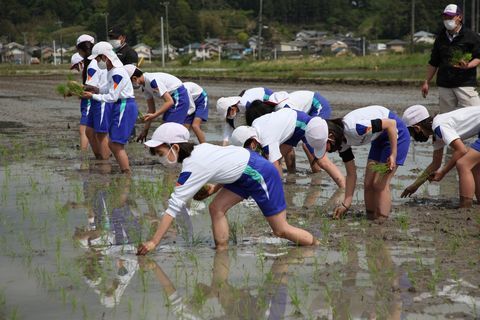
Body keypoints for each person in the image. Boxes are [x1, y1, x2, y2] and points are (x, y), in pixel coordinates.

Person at [136, 123, 319, 255]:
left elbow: (173, 207)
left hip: (260, 174)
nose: (160, 158)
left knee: (280, 230)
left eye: (160, 153)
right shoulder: (199, 150)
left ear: (175, 147)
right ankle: (221, 252)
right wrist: (212, 190)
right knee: (216, 208)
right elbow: (229, 166)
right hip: (244, 172)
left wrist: (153, 242)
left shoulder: (193, 165)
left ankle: (316, 245)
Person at [326, 105, 410, 220]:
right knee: (368, 183)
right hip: (379, 138)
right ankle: (370, 218)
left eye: (325, 147)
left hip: (396, 134)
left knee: (379, 184)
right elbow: (351, 174)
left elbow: (391, 124)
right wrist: (346, 204)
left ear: (331, 136)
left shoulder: (356, 129)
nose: (326, 151)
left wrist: (393, 154)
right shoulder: (341, 143)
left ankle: (381, 222)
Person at [230, 104, 345, 189]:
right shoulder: (255, 129)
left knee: (322, 161)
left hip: (300, 124)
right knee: (268, 161)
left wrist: (277, 192)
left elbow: (275, 168)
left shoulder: (266, 140)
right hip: (289, 122)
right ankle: (291, 176)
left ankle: (343, 187)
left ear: (252, 143)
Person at [401, 105, 480, 208]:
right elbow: (435, 163)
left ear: (417, 128)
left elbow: (461, 150)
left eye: (411, 134)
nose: (413, 137)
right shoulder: (436, 134)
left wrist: (443, 172)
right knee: (473, 163)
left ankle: (465, 207)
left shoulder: (439, 126)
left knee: (463, 164)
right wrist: (415, 185)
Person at [81, 42, 138, 174]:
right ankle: (124, 172)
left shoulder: (117, 72)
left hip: (124, 105)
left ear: (105, 57)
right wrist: (96, 89)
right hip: (121, 105)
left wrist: (93, 96)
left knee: (116, 144)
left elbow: (112, 96)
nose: (97, 61)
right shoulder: (112, 71)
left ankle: (126, 173)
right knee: (114, 143)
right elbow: (108, 89)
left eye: (98, 58)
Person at [422, 4, 480, 113]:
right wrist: (426, 81)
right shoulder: (440, 37)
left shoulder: (471, 36)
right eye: (445, 17)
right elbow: (434, 62)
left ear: (459, 17)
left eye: (450, 17)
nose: (447, 20)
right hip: (445, 84)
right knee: (445, 117)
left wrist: (468, 65)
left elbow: (478, 57)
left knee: (475, 113)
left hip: (465, 83)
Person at [123, 66, 190, 142]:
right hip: (173, 99)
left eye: (129, 82)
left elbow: (169, 102)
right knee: (166, 129)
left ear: (134, 78)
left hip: (179, 97)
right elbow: (151, 110)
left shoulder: (152, 81)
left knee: (169, 130)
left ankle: (180, 149)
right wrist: (145, 130)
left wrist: (155, 115)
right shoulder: (144, 87)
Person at [76, 35, 110, 160]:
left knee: (100, 134)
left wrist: (75, 89)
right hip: (98, 98)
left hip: (100, 100)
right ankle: (99, 158)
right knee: (89, 131)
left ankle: (105, 161)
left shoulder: (92, 64)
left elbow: (91, 86)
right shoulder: (94, 63)